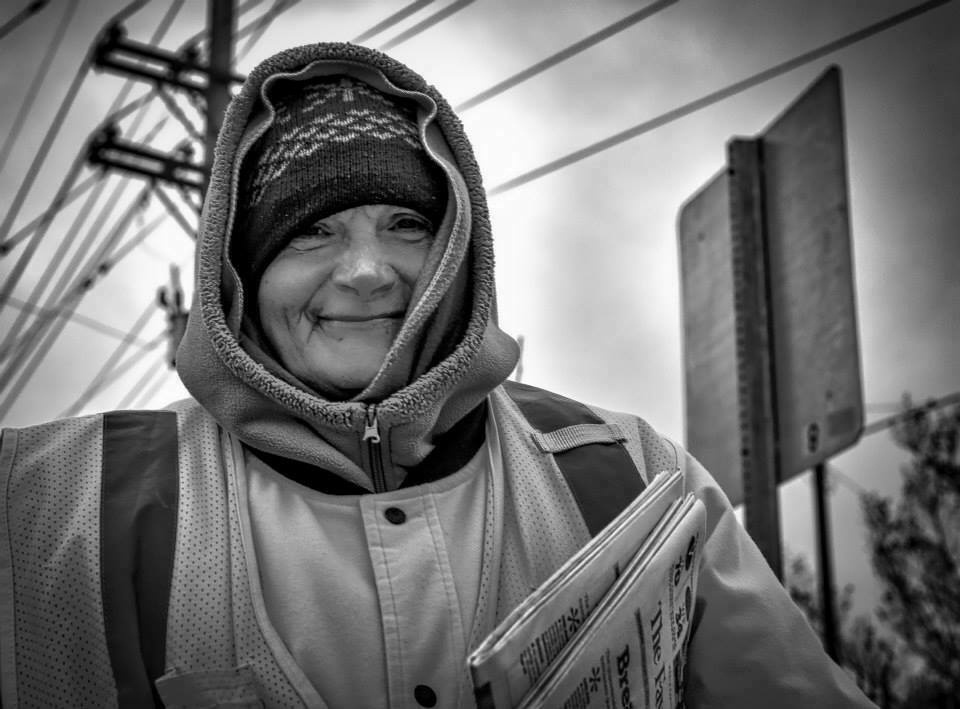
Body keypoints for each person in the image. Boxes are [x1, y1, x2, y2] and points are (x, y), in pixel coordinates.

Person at [0, 42, 876, 708]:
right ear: (238, 275)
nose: (369, 272)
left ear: (459, 247)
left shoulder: (630, 479)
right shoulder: (57, 510)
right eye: (312, 232)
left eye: (407, 225)